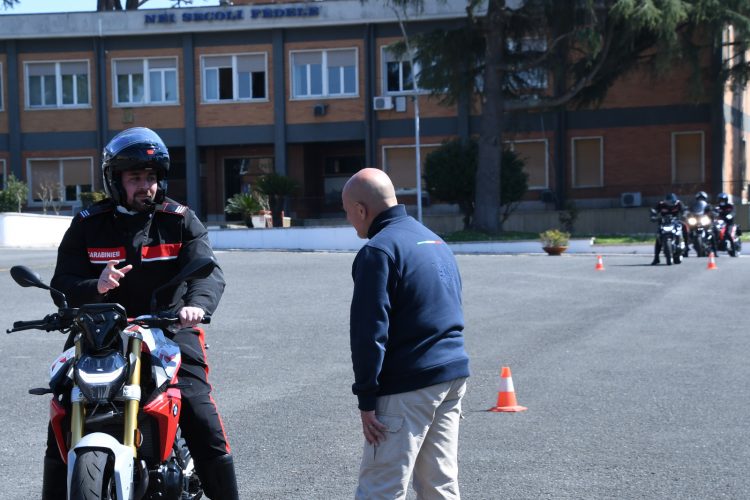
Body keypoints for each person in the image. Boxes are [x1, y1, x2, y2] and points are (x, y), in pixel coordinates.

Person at [42, 127, 239, 500]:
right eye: (135, 178)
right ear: (115, 181)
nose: (145, 186)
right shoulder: (88, 224)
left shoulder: (179, 220)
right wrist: (94, 286)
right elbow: (62, 282)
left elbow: (207, 271)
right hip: (100, 332)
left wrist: (196, 306)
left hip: (169, 329)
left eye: (151, 177)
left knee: (198, 410)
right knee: (64, 410)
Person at [342, 168, 471, 499]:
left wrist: (367, 398)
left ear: (361, 209)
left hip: (408, 383)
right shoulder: (434, 241)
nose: (350, 221)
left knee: (381, 488)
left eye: (348, 213)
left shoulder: (379, 251)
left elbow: (370, 332)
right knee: (439, 484)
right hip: (452, 374)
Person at [650, 192, 686, 265]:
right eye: (668, 202)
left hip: (676, 222)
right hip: (664, 223)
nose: (670, 204)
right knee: (658, 237)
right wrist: (653, 216)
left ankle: (687, 246)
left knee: (685, 227)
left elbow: (684, 210)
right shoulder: (661, 204)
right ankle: (656, 258)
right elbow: (654, 211)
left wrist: (685, 214)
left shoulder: (679, 203)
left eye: (672, 202)